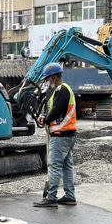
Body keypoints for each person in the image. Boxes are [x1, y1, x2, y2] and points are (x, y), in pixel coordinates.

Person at [34, 62, 77, 208]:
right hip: (68, 134)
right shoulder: (65, 90)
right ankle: (70, 196)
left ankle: (51, 198)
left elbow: (57, 110)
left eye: (47, 79)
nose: (47, 82)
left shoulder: (61, 90)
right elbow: (57, 111)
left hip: (61, 135)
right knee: (66, 166)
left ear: (53, 78)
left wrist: (46, 119)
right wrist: (46, 117)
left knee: (54, 165)